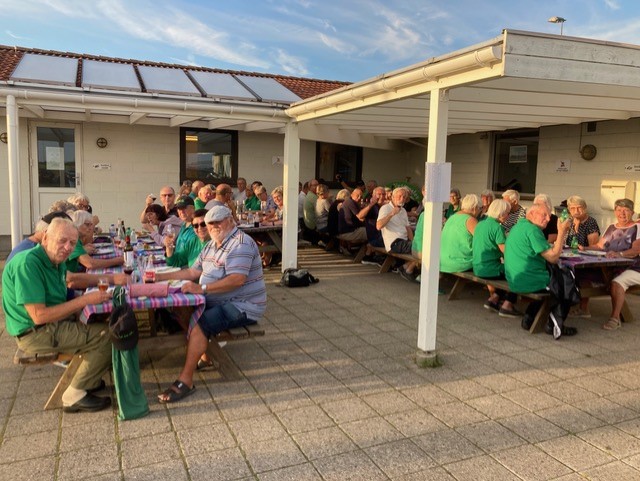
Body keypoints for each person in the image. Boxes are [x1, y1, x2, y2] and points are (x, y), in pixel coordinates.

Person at [156, 205, 266, 403]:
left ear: (230, 220)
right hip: (220, 300)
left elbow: (237, 280)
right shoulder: (211, 245)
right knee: (181, 310)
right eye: (209, 223)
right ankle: (205, 355)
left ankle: (186, 380)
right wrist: (158, 276)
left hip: (244, 306)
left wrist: (202, 289)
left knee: (200, 322)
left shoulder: (240, 243)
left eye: (218, 221)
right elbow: (192, 273)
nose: (213, 226)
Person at [2, 218, 113, 412]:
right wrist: (85, 301)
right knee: (108, 335)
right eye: (62, 240)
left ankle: (89, 378)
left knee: (106, 320)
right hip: (36, 332)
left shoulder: (56, 261)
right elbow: (39, 316)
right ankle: (74, 395)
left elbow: (69, 286)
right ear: (45, 238)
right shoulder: (28, 264)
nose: (67, 247)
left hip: (50, 324)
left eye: (72, 243)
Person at [504, 203, 573, 335]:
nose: (548, 219)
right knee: (566, 283)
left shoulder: (519, 226)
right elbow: (553, 257)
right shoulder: (533, 230)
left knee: (554, 280)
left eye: (549, 215)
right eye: (544, 215)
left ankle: (529, 318)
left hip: (514, 278)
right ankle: (555, 326)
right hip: (527, 280)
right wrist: (562, 232)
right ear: (531, 214)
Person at [593, 198, 640, 330]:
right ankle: (583, 309)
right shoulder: (611, 227)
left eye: (626, 210)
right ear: (614, 212)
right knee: (585, 274)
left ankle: (615, 318)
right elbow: (600, 246)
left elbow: (636, 250)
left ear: (633, 212)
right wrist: (583, 248)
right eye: (619, 210)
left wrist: (619, 254)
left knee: (616, 283)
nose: (622, 213)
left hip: (635, 267)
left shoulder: (637, 227)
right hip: (615, 266)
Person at [471, 199, 521, 317]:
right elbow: (506, 252)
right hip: (490, 269)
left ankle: (494, 299)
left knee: (506, 271)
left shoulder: (480, 224)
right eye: (507, 213)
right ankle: (507, 305)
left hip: (477, 267)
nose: (508, 215)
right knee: (517, 273)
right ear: (500, 213)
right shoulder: (497, 228)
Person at [377, 187, 417, 281]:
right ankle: (407, 269)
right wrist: (391, 214)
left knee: (420, 246)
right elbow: (378, 226)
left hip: (404, 241)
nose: (402, 199)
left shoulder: (402, 210)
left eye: (404, 197)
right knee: (423, 249)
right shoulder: (385, 208)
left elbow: (408, 228)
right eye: (399, 196)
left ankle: (407, 266)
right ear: (393, 197)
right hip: (394, 243)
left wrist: (413, 242)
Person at [7, 211, 71, 263]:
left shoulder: (31, 244)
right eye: (62, 239)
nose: (68, 247)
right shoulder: (30, 253)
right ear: (47, 233)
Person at [440, 194, 481, 274]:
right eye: (479, 208)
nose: (480, 211)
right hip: (458, 263)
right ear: (474, 208)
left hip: (442, 260)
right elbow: (481, 242)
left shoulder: (452, 217)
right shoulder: (471, 220)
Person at [359, 186, 387, 263]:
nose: (382, 196)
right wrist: (371, 204)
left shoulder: (384, 207)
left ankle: (371, 256)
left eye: (384, 194)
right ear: (373, 196)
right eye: (379, 194)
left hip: (382, 236)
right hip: (376, 238)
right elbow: (360, 216)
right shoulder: (372, 207)